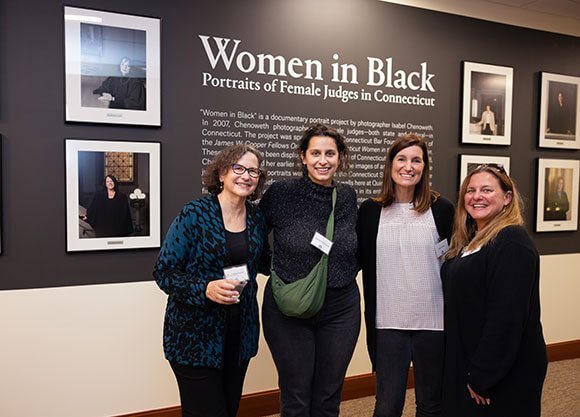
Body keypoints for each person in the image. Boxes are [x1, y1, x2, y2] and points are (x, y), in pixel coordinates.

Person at [153, 144, 269, 417]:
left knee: (228, 410)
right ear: (221, 174)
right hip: (194, 339)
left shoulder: (256, 217)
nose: (246, 176)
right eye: (238, 168)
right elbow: (164, 271)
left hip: (240, 336)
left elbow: (263, 262)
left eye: (253, 170)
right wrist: (204, 288)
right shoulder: (194, 214)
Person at [259, 123, 360, 417]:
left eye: (330, 153)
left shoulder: (347, 197)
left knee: (329, 395)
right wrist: (277, 271)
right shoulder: (281, 193)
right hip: (290, 308)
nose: (323, 160)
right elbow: (254, 236)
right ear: (303, 157)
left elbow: (354, 246)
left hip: (341, 308)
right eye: (315, 153)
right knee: (297, 396)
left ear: (339, 157)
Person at [357, 134, 454, 417]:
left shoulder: (442, 209)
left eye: (416, 160)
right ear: (390, 165)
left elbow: (455, 261)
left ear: (424, 167)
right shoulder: (370, 211)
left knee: (431, 404)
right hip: (388, 323)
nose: (408, 166)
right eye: (402, 159)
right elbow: (356, 258)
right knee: (387, 406)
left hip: (434, 322)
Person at [441, 164, 547, 416]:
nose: (476, 196)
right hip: (470, 360)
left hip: (500, 371)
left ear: (507, 198)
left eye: (487, 190)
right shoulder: (470, 240)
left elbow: (507, 317)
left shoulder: (512, 241)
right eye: (471, 190)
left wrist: (482, 375)